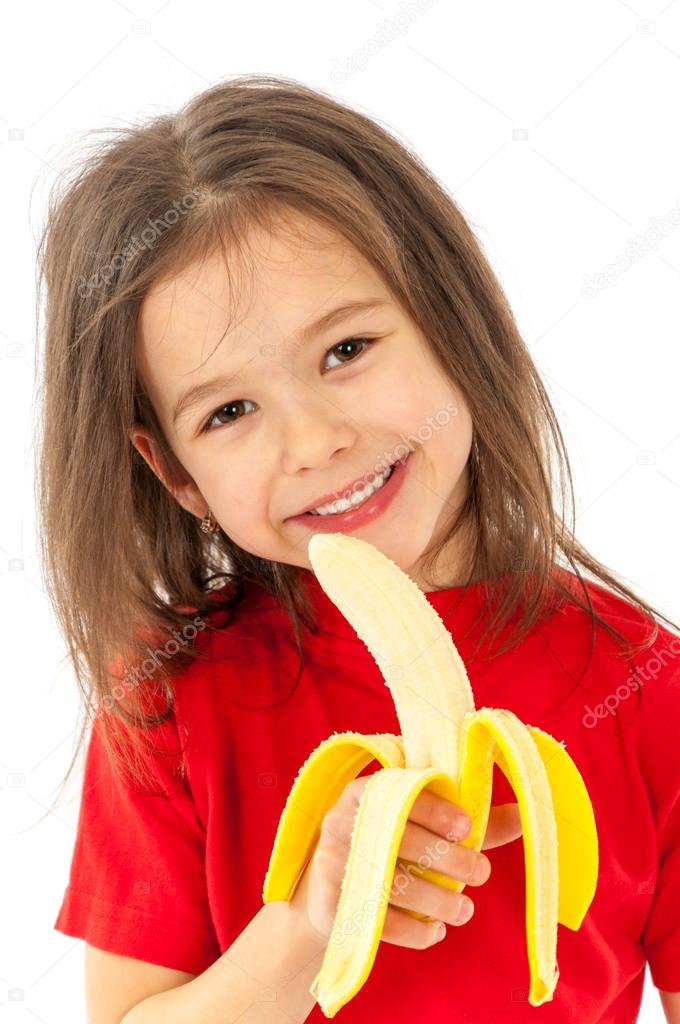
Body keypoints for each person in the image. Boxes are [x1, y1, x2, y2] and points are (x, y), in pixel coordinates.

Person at [36, 73, 680, 1024]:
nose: (314, 442)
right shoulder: (168, 700)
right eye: (229, 412)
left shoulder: (645, 684)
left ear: (451, 319)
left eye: (345, 351)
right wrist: (308, 925)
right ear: (175, 474)